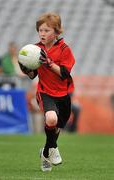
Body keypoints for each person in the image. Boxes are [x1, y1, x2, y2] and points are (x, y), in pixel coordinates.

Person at [18, 12, 75, 172]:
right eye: (40, 30)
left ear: (56, 32)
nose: (42, 33)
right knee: (51, 119)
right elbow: (32, 75)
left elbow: (64, 73)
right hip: (45, 92)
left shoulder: (64, 49)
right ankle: (53, 148)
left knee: (56, 126)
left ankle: (45, 153)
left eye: (47, 30)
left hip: (63, 94)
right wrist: (26, 70)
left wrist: (49, 63)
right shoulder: (36, 50)